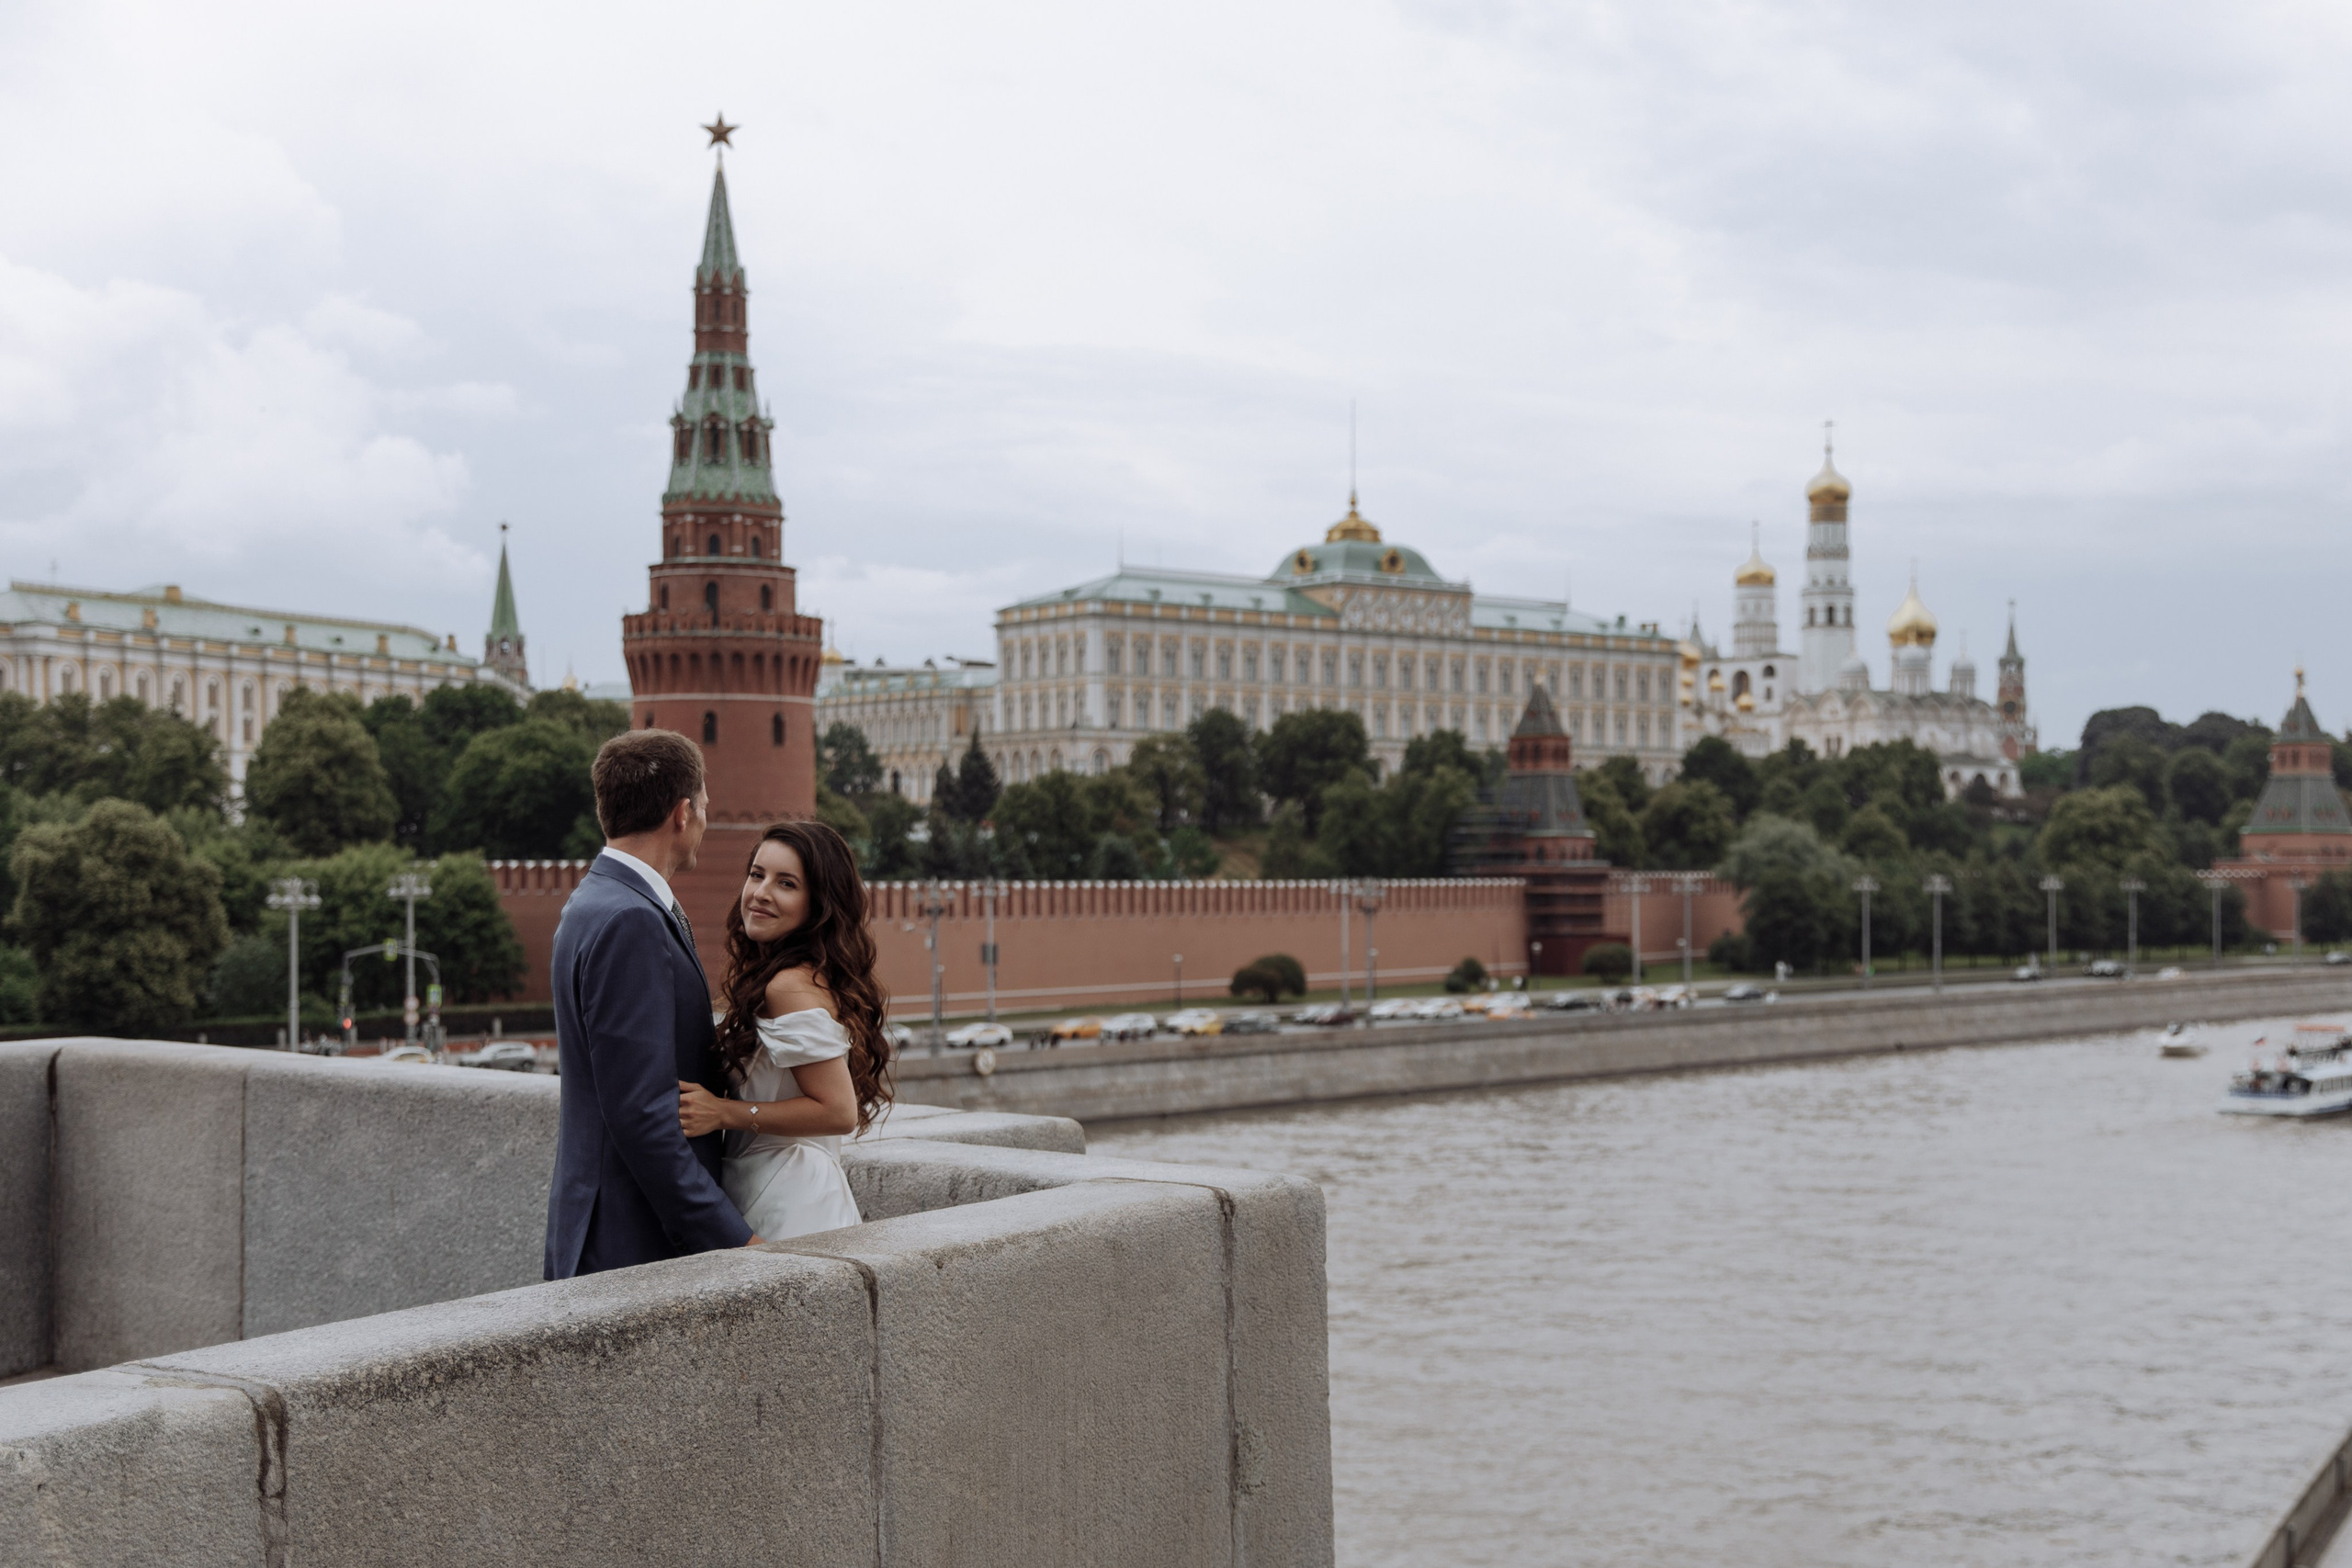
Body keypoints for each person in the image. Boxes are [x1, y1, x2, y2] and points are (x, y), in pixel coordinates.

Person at [544, 729, 756, 1279]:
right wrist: (734, 1239)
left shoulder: (594, 899)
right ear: (682, 813)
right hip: (631, 1242)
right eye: (705, 805)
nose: (706, 820)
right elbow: (642, 1115)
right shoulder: (631, 919)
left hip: (604, 1228)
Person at [676, 819, 893, 1241]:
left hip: (790, 1199)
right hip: (782, 1189)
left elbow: (837, 1112)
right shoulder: (795, 976)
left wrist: (723, 1113)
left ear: (818, 904)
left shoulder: (789, 985)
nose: (761, 892)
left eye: (786, 884)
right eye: (757, 875)